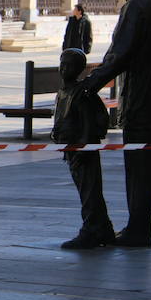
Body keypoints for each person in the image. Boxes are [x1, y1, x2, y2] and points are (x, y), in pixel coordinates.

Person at [80, 0, 151, 248]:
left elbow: (120, 55)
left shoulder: (138, 6)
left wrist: (92, 82)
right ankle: (141, 225)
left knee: (140, 168)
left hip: (143, 101)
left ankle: (138, 230)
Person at [52, 48, 114, 249]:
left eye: (69, 65)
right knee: (86, 189)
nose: (63, 69)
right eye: (62, 63)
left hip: (82, 150)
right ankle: (102, 227)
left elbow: (89, 122)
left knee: (89, 190)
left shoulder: (82, 93)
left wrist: (84, 147)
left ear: (79, 69)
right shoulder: (64, 91)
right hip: (71, 149)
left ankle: (92, 229)